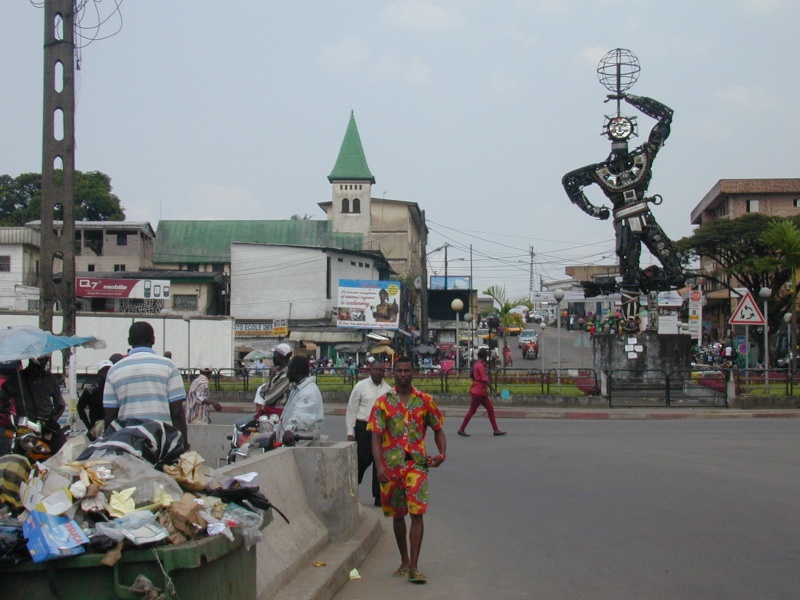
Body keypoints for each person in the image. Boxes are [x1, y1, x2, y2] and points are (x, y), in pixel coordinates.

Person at [562, 92, 686, 327]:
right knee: (629, 271)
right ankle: (631, 322)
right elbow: (569, 180)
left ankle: (686, 298)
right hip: (626, 219)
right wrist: (593, 210)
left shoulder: (641, 156)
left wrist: (629, 98)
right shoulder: (604, 170)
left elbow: (666, 117)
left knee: (668, 258)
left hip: (641, 214)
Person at [369, 355, 446, 585]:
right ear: (393, 373)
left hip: (417, 464)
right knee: (397, 514)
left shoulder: (424, 400)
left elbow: (438, 429)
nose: (403, 374)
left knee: (417, 513)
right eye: (399, 371)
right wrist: (379, 466)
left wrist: (441, 454)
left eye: (407, 371)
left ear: (414, 372)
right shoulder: (382, 402)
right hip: (391, 467)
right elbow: (375, 436)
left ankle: (414, 566)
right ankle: (404, 560)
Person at [103, 321, 190, 450]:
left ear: (129, 341)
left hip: (127, 441)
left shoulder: (114, 370)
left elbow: (110, 416)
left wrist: (109, 444)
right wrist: (183, 445)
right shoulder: (168, 366)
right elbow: (177, 412)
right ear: (153, 340)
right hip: (161, 441)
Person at [346, 360, 392, 506]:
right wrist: (350, 432)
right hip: (363, 427)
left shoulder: (388, 390)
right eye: (376, 369)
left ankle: (379, 497)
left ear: (384, 372)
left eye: (381, 370)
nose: (378, 372)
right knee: (361, 461)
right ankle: (350, 492)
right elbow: (352, 410)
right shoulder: (360, 387)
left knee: (380, 463)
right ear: (370, 370)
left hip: (381, 429)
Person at [0, 357, 67, 453]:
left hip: (46, 425)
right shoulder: (16, 378)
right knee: (18, 452)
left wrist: (52, 421)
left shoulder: (50, 379)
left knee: (61, 450)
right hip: (25, 426)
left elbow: (60, 405)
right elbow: (2, 399)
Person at [457, 348, 506, 437]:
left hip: (479, 391)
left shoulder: (476, 365)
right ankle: (461, 429)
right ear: (485, 357)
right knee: (473, 411)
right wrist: (495, 390)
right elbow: (485, 379)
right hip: (479, 392)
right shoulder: (480, 366)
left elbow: (473, 376)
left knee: (489, 409)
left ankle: (496, 430)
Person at [279, 355, 324, 445]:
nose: (287, 373)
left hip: (302, 445)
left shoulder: (309, 391)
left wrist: (289, 430)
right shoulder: (297, 388)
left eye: (289, 369)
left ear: (294, 370)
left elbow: (302, 415)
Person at [77, 358, 115, 439]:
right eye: (104, 371)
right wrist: (89, 427)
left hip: (114, 424)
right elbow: (80, 407)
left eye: (109, 371)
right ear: (99, 373)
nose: (106, 374)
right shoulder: (92, 390)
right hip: (99, 426)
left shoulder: (117, 387)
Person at [253, 343, 293, 418]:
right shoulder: (278, 372)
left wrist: (266, 390)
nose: (273, 357)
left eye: (275, 355)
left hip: (280, 414)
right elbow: (265, 390)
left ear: (281, 356)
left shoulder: (287, 375)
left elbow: (269, 398)